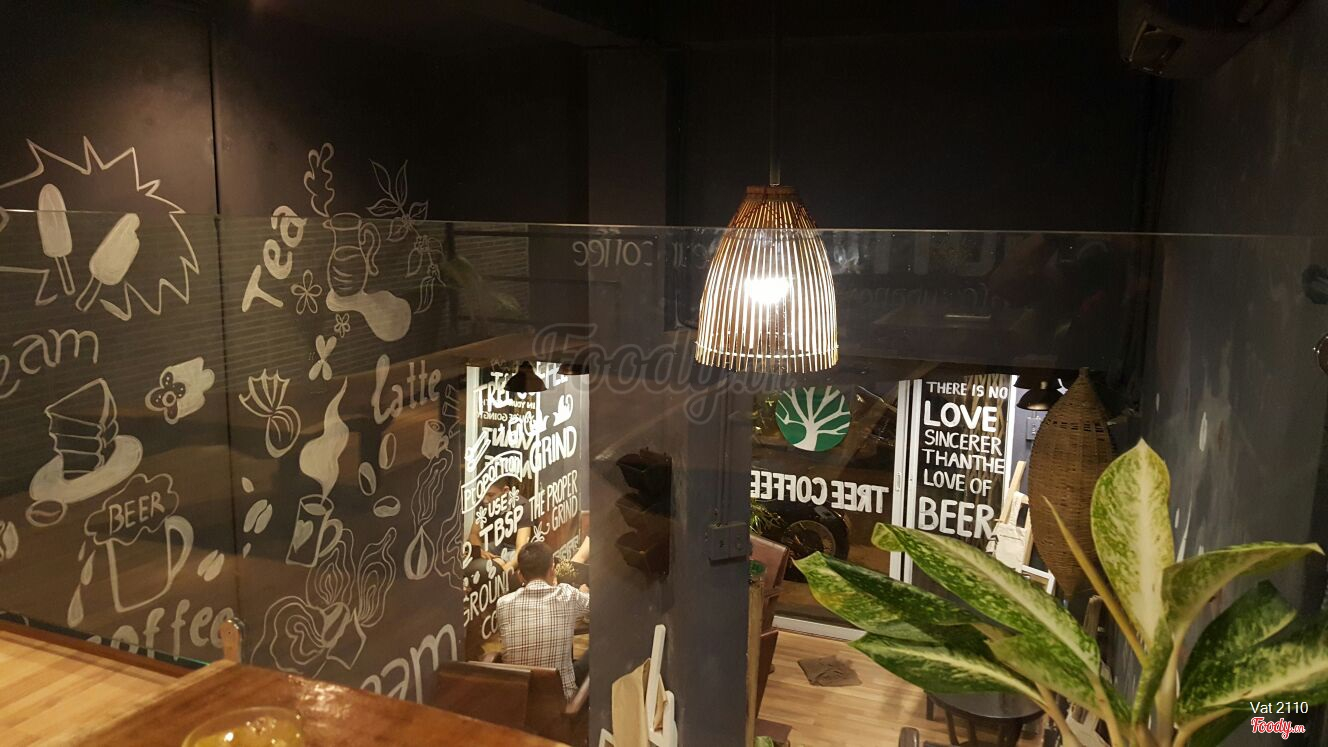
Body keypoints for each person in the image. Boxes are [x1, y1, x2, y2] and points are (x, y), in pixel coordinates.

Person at [495, 541, 590, 700]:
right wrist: (584, 592)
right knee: (594, 652)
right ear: (552, 570)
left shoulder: (503, 604)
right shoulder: (567, 595)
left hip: (518, 699)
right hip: (560, 700)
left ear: (520, 576)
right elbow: (597, 606)